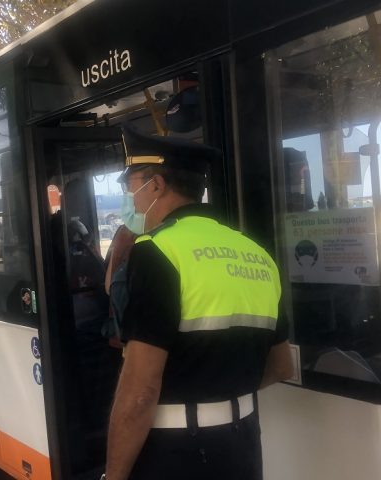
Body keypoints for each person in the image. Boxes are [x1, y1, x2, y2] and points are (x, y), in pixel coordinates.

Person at [103, 125, 294, 480]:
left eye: (130, 188)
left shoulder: (157, 251)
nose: (130, 200)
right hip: (244, 447)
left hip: (175, 454)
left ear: (156, 185)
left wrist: (113, 476)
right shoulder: (255, 253)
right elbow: (282, 366)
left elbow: (141, 393)